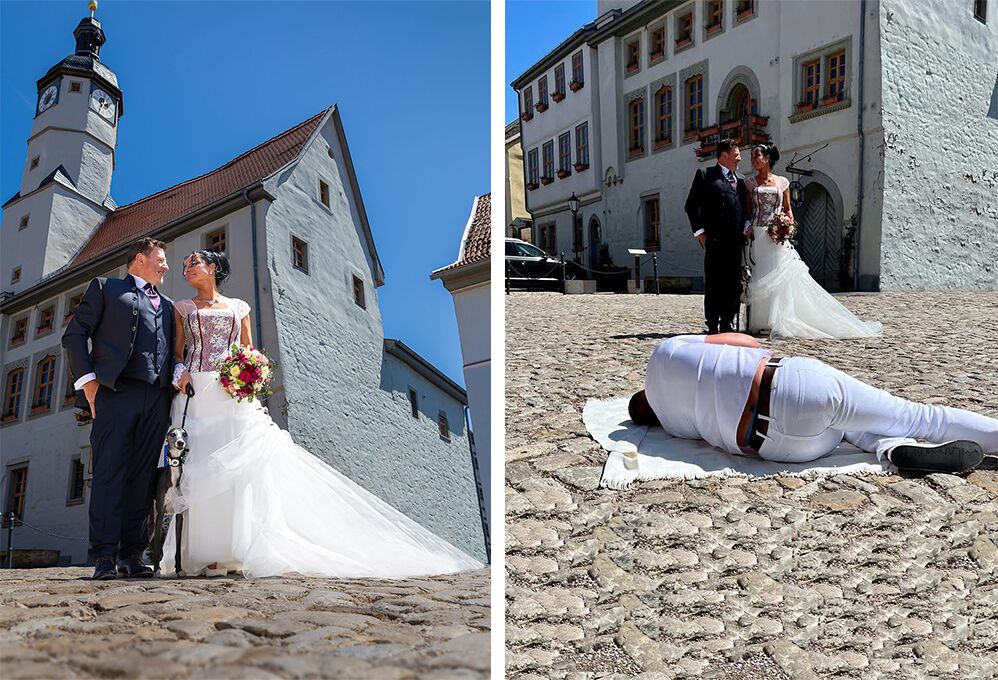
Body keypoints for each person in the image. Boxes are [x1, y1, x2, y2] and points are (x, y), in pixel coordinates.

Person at [161, 250, 481, 578]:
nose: (187, 269)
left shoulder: (239, 307)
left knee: (240, 466)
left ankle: (237, 547)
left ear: (213, 268)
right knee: (205, 464)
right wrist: (181, 371)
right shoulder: (182, 308)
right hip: (197, 391)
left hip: (232, 391)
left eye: (194, 263)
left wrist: (251, 374)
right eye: (185, 265)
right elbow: (177, 352)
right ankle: (206, 552)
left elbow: (249, 350)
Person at [628, 333, 997, 471]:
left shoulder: (672, 425)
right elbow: (748, 343)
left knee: (848, 428)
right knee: (918, 415)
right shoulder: (666, 350)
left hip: (782, 449)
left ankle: (893, 449)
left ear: (651, 418)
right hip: (790, 386)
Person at [62, 238, 176, 580]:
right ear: (140, 259)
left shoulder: (169, 306)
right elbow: (74, 335)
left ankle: (132, 554)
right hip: (115, 393)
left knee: (142, 478)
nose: (166, 266)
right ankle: (104, 556)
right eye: (161, 259)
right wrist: (89, 383)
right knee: (110, 474)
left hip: (156, 398)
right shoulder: (106, 288)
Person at [743, 143, 881, 338]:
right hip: (758, 234)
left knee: (779, 276)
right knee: (761, 275)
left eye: (757, 156)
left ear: (767, 159)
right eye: (752, 156)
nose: (753, 160)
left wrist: (787, 225)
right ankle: (760, 321)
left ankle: (777, 319)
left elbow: (787, 209)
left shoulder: (782, 182)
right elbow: (749, 211)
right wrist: (747, 226)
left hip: (776, 235)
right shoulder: (750, 184)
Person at [684, 139, 747, 334]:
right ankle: (712, 322)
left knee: (733, 282)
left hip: (735, 241)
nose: (740, 159)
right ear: (724, 155)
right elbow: (691, 206)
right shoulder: (705, 175)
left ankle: (727, 321)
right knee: (714, 281)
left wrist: (746, 226)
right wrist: (701, 233)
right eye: (736, 155)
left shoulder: (741, 179)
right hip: (715, 240)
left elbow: (744, 208)